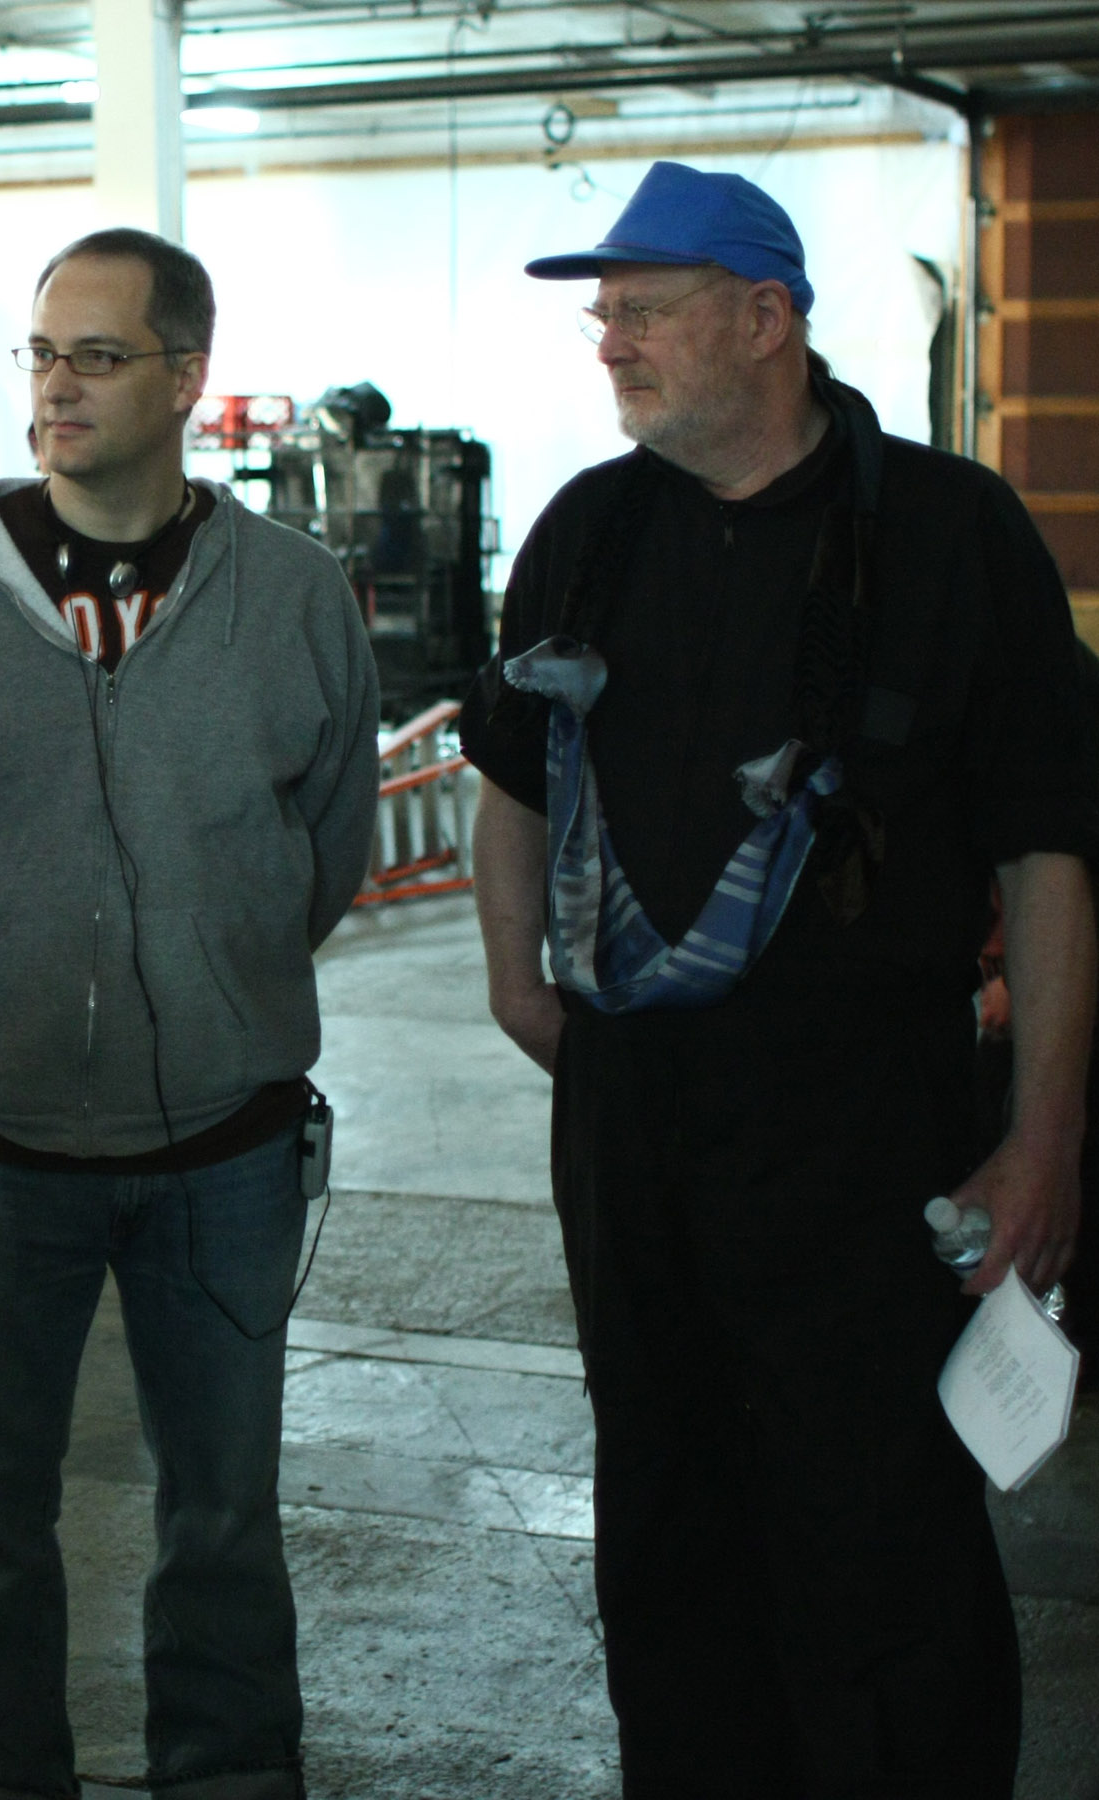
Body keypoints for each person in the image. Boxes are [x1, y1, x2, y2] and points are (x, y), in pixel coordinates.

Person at [460, 160, 1099, 1797]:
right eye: (600, 316)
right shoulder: (587, 531)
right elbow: (511, 773)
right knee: (663, 1499)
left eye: (642, 310)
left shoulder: (946, 535)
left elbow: (1043, 854)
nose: (607, 344)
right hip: (632, 1122)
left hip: (866, 1111)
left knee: (875, 1519)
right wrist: (512, 982)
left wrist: (1037, 1143)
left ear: (764, 320)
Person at [0, 229, 380, 1800]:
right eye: (41, 355)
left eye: (95, 357)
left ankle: (229, 1776)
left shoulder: (292, 596)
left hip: (229, 1148)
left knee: (224, 1514)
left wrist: (223, 977)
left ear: (187, 379)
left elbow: (327, 844)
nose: (55, 389)